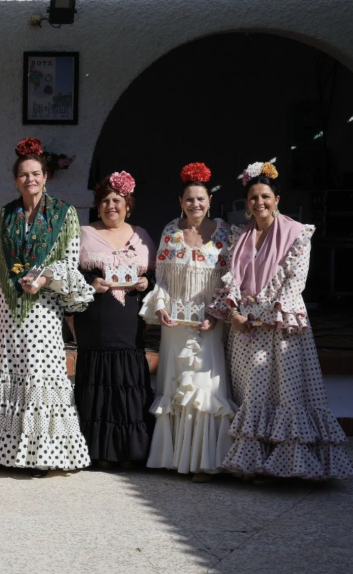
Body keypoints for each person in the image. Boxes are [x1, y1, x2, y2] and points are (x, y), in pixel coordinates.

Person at [210, 160, 352, 480]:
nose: (259, 202)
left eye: (265, 196)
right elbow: (230, 278)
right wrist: (233, 313)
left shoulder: (297, 234)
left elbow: (295, 283)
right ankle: (255, 464)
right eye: (253, 197)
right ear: (246, 204)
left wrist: (263, 314)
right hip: (245, 327)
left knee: (287, 393)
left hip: (281, 325)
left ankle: (291, 465)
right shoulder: (239, 237)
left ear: (277, 199)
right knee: (252, 394)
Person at [0, 138, 94, 477]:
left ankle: (50, 455)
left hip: (43, 307)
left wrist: (45, 278)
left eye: (36, 174)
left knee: (41, 374)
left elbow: (70, 261)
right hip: (10, 305)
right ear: (15, 180)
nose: (30, 179)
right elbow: (1, 259)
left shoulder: (64, 214)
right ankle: (8, 452)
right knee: (11, 370)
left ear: (45, 176)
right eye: (23, 175)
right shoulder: (6, 214)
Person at [141, 163, 235, 482]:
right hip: (176, 326)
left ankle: (204, 462)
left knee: (205, 387)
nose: (195, 204)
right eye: (189, 199)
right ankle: (173, 459)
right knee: (174, 383)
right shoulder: (171, 231)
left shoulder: (225, 232)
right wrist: (162, 307)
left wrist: (216, 314)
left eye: (201, 199)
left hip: (209, 324)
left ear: (210, 201)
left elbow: (230, 281)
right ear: (181, 202)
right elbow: (163, 279)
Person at [74, 171, 154, 468]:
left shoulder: (141, 235)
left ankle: (130, 452)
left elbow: (155, 276)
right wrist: (90, 283)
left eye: (117, 200)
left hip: (129, 319)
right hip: (95, 319)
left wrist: (147, 284)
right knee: (98, 380)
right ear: (98, 206)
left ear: (128, 204)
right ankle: (99, 452)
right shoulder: (85, 234)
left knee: (128, 380)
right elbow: (73, 274)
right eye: (105, 201)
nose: (111, 206)